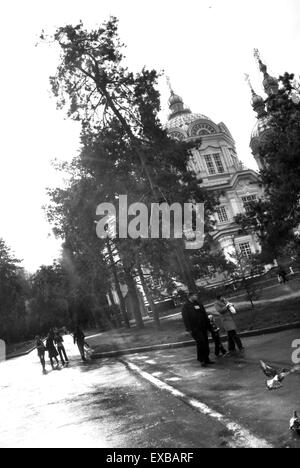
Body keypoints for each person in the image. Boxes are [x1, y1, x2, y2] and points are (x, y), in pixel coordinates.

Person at [182, 292, 214, 367]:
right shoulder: (186, 306)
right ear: (190, 296)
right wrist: (188, 329)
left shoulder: (199, 304)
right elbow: (185, 318)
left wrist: (209, 325)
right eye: (195, 295)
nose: (196, 296)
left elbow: (204, 314)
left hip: (203, 326)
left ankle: (206, 359)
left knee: (205, 342)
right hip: (195, 328)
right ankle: (201, 359)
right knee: (201, 342)